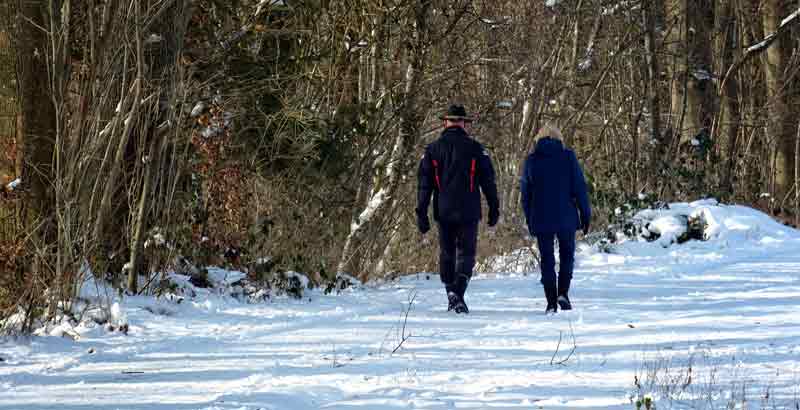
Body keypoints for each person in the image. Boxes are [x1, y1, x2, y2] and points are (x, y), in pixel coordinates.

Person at [416, 104, 500, 314]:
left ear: (446, 123)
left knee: (447, 253)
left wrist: (421, 212)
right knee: (466, 254)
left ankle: (452, 293)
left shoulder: (432, 150)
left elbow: (424, 185)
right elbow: (488, 181)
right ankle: (458, 293)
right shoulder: (476, 149)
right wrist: (494, 206)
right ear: (464, 124)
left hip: (443, 210)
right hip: (468, 210)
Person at [520, 125, 591, 314]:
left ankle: (551, 301)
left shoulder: (531, 161)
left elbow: (525, 194)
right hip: (566, 216)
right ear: (559, 139)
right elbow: (580, 189)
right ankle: (563, 294)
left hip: (541, 217)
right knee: (567, 255)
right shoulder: (568, 157)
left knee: (547, 259)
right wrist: (586, 215)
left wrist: (529, 218)